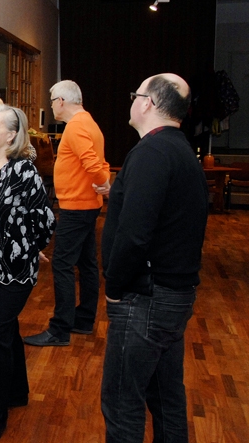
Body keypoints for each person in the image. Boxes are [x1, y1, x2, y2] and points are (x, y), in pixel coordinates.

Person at [100, 73, 208, 443]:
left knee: (121, 403)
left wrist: (114, 286)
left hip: (145, 297)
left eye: (136, 94)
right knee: (165, 398)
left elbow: (135, 235)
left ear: (148, 103)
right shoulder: (180, 150)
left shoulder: (151, 152)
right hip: (174, 295)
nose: (132, 100)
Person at [0, 104, 55, 443]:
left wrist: (32, 247)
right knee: (5, 331)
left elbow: (45, 218)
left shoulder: (24, 171)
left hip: (15, 270)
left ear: (11, 134)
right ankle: (17, 392)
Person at [24, 80, 111, 347]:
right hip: (85, 204)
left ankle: (60, 329)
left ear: (61, 101)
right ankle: (83, 319)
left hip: (77, 207)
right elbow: (101, 163)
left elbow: (94, 164)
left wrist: (102, 181)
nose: (51, 106)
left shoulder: (76, 127)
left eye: (51, 101)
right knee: (86, 264)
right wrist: (103, 181)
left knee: (61, 264)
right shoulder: (89, 123)